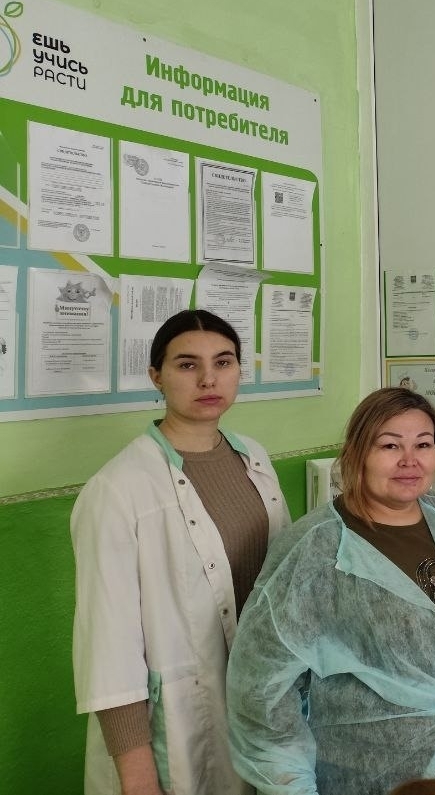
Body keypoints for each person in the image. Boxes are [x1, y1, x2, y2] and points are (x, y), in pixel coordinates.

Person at [225, 387, 435, 795]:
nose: (410, 460)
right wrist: (291, 786)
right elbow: (262, 686)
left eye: (423, 444)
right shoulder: (316, 547)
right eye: (390, 445)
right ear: (357, 454)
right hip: (363, 768)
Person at [71, 309, 290, 795]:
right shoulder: (118, 489)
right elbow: (109, 652)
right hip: (176, 726)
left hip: (261, 705)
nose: (209, 379)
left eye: (223, 362)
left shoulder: (254, 459)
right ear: (157, 376)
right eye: (187, 365)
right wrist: (138, 779)